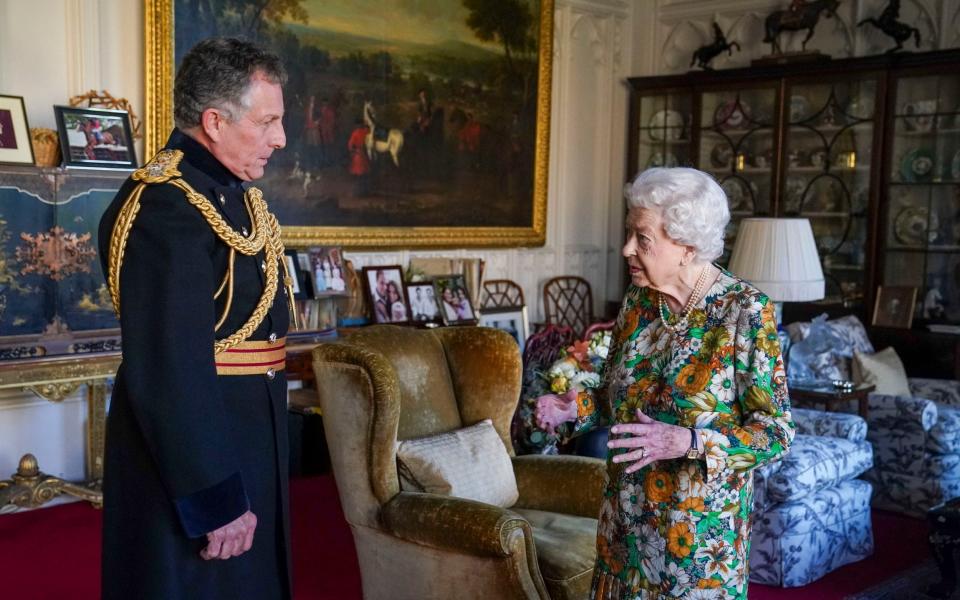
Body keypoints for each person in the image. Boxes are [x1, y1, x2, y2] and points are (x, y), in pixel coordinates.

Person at [536, 167, 794, 599]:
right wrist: (574, 408)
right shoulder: (639, 302)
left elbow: (776, 433)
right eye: (629, 233)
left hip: (697, 545)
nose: (626, 249)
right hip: (624, 531)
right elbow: (614, 398)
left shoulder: (745, 313)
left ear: (686, 247)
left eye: (642, 238)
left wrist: (689, 442)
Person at [97, 37, 294, 600]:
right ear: (214, 120)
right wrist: (215, 497)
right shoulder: (165, 206)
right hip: (193, 466)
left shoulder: (233, 195)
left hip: (246, 441)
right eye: (268, 122)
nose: (280, 139)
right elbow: (169, 369)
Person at [347, 117, 370, 196]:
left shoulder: (355, 133)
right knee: (364, 175)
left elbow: (350, 145)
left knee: (358, 175)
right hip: (365, 155)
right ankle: (363, 192)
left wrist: (353, 151)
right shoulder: (366, 132)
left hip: (358, 156)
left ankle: (358, 193)